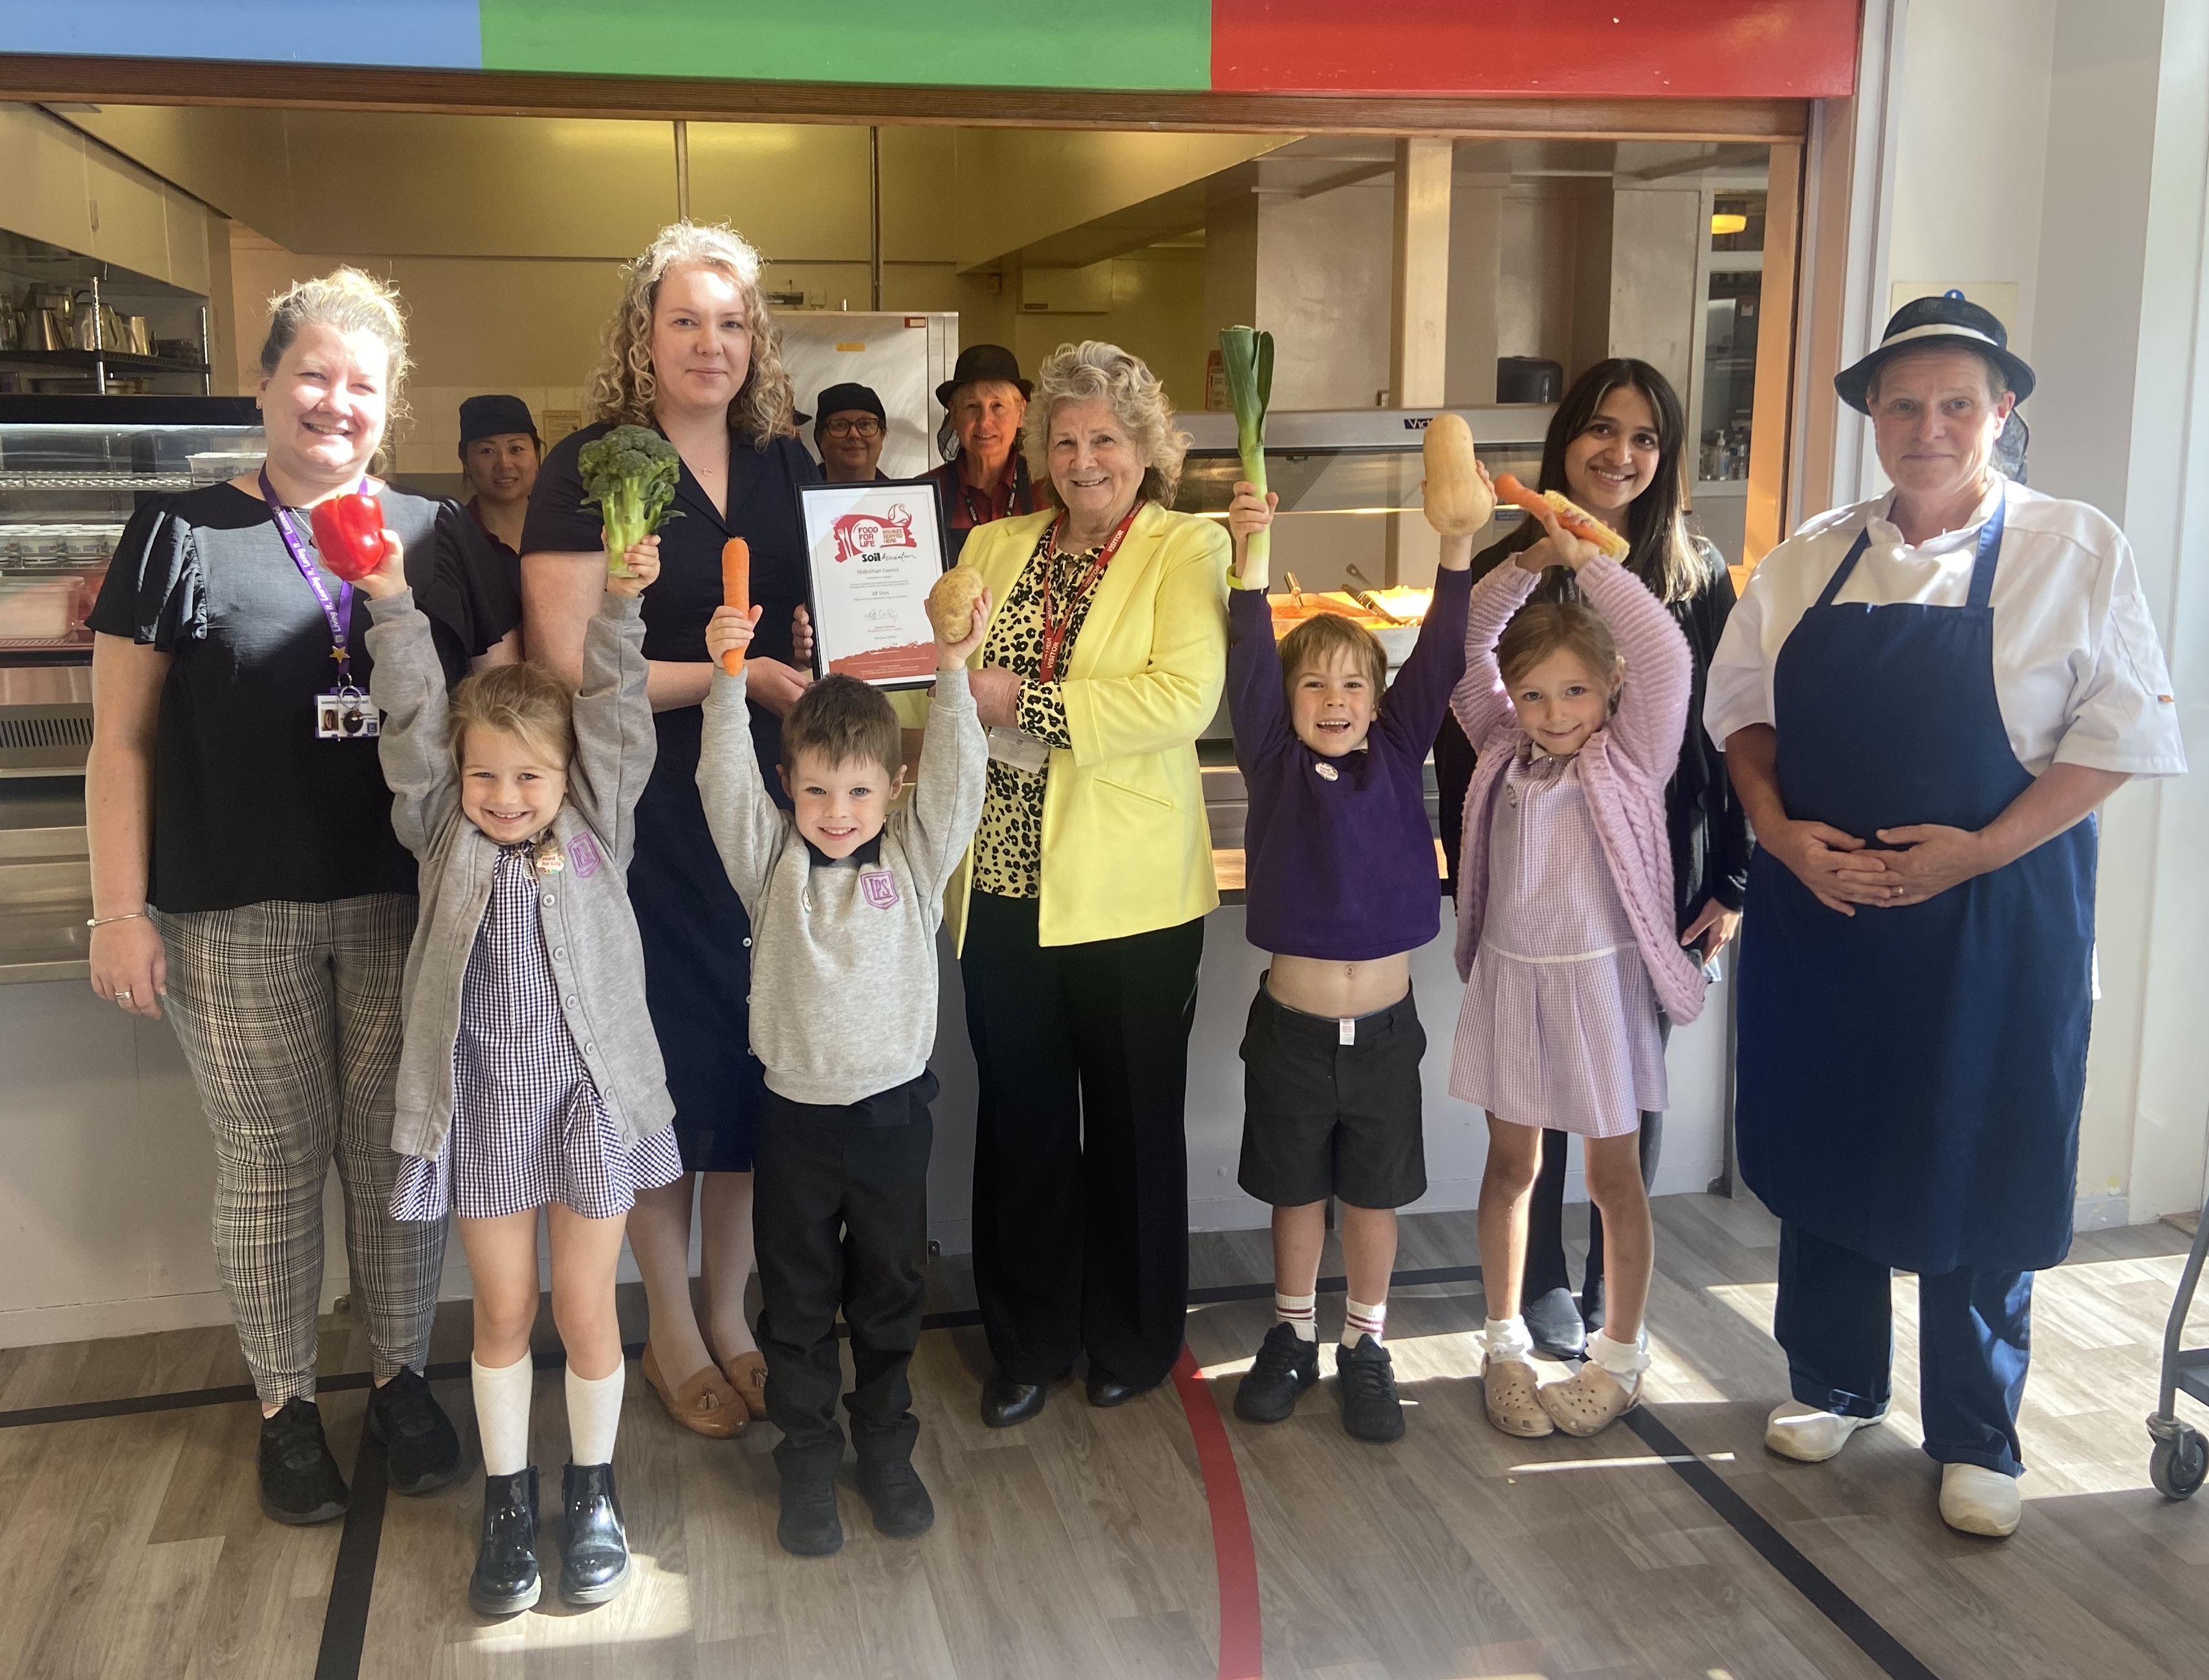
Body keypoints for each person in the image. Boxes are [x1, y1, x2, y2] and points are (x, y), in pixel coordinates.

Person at [1706, 293, 2186, 1537]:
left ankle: (1979, 1431)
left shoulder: (2075, 548)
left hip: (1996, 914)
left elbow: (2120, 739)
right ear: (1872, 411)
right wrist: (1774, 826)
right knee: (1827, 1141)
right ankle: (1836, 1382)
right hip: (1827, 910)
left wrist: (1975, 851)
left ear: (2002, 410)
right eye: (1904, 402)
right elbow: (1741, 714)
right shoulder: (1809, 556)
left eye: (1956, 403)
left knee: (1986, 1147)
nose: (1929, 426)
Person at [83, 268, 517, 1524]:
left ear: (390, 406)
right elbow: (122, 741)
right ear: (268, 382)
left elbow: (497, 718)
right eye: (312, 374)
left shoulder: (436, 536)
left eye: (362, 383)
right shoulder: (179, 530)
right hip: (231, 910)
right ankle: (284, 1403)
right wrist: (119, 908)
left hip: (405, 902)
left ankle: (395, 1377)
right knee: (271, 1164)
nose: (336, 400)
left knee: (395, 1156)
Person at [522, 221, 818, 1440]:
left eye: (733, 322)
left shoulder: (783, 461)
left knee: (755, 1073)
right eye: (687, 320)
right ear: (642, 335)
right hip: (643, 819)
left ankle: (732, 1310)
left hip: (769, 812)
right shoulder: (585, 465)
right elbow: (564, 670)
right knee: (660, 1078)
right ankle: (673, 1330)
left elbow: (815, 623)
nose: (713, 344)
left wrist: (817, 661)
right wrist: (731, 680)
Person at [364, 533, 679, 1615]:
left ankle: (592, 1491)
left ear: (564, 777)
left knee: (588, 1309)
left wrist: (624, 611)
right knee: (503, 1312)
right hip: (486, 1113)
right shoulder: (441, 833)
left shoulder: (599, 821)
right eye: (485, 775)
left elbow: (619, 717)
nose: (506, 794)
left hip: (588, 1104)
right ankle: (509, 1502)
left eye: (528, 775)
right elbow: (411, 726)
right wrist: (395, 610)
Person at [1435, 359, 1750, 1359]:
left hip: (1649, 883)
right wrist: (1536, 553)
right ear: (1566, 437)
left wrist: (1731, 877)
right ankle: (1535, 1293)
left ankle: (1617, 1304)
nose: (1621, 453)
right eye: (1602, 430)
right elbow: (1466, 686)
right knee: (1527, 1126)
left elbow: (1727, 723)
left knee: (1621, 1104)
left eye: (1645, 437)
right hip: (1530, 907)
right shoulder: (1510, 585)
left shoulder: (1693, 572)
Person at [941, 339, 1229, 1428]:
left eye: (1105, 437)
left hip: (1133, 894)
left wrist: (1031, 701)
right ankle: (1026, 1339)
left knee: (1131, 1125)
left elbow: (1180, 696)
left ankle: (1133, 1336)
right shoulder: (995, 541)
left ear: (1146, 447)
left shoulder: (1187, 546)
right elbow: (938, 661)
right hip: (1002, 885)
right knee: (1019, 1123)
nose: (1083, 458)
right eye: (1063, 439)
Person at [697, 589, 990, 1558]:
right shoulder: (767, 862)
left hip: (892, 1119)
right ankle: (808, 1459)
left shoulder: (913, 859)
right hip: (796, 1123)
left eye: (858, 791)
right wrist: (728, 680)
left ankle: (884, 1444)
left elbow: (957, 783)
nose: (836, 812)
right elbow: (722, 784)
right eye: (817, 790)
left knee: (890, 1291)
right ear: (788, 787)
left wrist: (951, 671)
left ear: (892, 786)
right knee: (795, 1302)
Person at [1221, 474, 1479, 1444]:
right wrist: (1249, 560)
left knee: (1371, 1198)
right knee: (1296, 1193)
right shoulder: (1272, 760)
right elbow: (1246, 657)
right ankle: (1290, 1332)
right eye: (1312, 683)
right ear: (1284, 701)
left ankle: (1364, 1343)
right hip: (1288, 1034)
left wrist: (1453, 550)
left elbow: (1444, 653)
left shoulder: (1398, 746)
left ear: (1378, 697)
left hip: (1382, 1036)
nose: (1333, 699)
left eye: (1352, 682)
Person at [1451, 501, 1705, 1439]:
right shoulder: (1497, 750)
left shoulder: (1630, 757)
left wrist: (1588, 560)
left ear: (1610, 692)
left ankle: (1619, 1358)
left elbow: (1667, 653)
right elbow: (1469, 641)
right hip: (1515, 984)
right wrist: (1528, 560)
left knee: (1611, 1180)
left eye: (1574, 693)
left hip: (1599, 990)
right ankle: (1502, 1341)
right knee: (1511, 1166)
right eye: (1534, 695)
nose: (1553, 714)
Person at [921, 344, 1041, 562]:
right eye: (972, 407)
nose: (985, 422)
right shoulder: (925, 494)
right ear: (954, 415)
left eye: (997, 406)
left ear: (1021, 412)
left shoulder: (1046, 491)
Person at [458, 393, 541, 565]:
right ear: (465, 460)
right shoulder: (454, 538)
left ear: (537, 455)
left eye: (516, 449)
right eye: (487, 451)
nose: (504, 464)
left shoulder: (563, 530)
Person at [811, 381, 891, 483]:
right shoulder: (794, 497)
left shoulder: (903, 497)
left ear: (882, 435)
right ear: (820, 438)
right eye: (840, 425)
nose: (854, 434)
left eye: (865, 424)